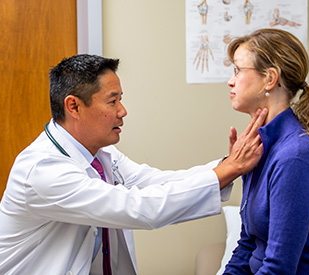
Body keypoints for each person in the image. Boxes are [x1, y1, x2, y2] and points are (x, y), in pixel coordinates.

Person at [0, 54, 267, 275]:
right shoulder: (42, 169)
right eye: (112, 101)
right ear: (74, 106)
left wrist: (227, 166)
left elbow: (157, 182)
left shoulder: (103, 156)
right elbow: (137, 208)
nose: (122, 110)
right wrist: (231, 168)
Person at [222, 28, 309, 274]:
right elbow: (247, 245)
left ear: (270, 78)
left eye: (237, 70)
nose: (230, 81)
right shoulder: (258, 147)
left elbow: (279, 268)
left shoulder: (295, 156)